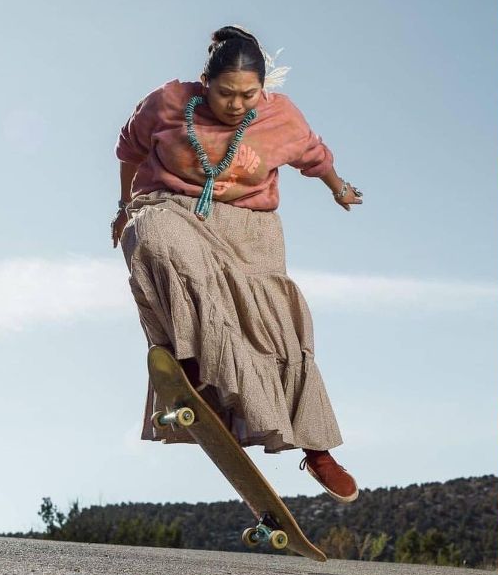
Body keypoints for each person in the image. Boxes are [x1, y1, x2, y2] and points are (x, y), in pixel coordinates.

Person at [112, 25, 363, 501]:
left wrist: (339, 188)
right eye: (226, 93)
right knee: (151, 238)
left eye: (248, 94)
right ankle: (194, 372)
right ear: (204, 82)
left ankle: (318, 449)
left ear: (262, 89)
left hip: (252, 228)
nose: (235, 103)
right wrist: (123, 205)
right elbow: (129, 149)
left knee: (274, 329)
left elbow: (314, 154)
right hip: (174, 207)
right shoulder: (166, 103)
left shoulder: (280, 116)